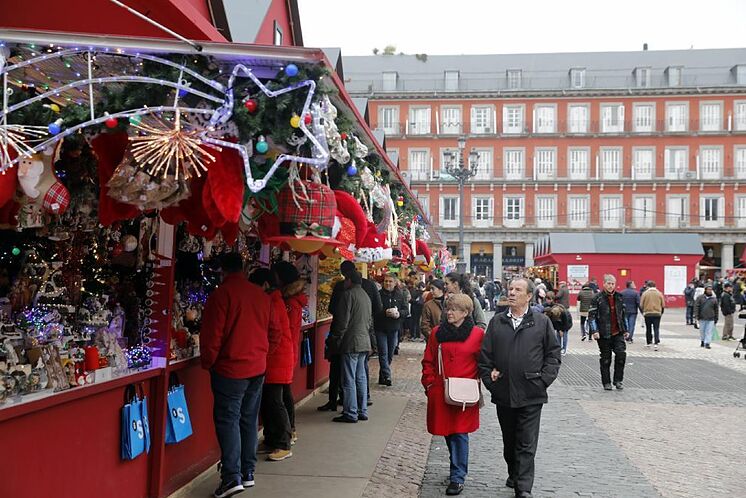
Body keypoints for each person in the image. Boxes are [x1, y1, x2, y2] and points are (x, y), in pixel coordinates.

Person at [479, 277, 561, 498]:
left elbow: (553, 355)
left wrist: (543, 380)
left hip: (531, 392)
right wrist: (490, 382)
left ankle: (523, 487)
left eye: (518, 289)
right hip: (504, 391)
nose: (512, 292)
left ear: (528, 296)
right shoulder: (497, 322)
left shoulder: (541, 322)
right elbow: (485, 357)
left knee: (526, 442)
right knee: (510, 440)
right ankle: (514, 473)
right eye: (510, 289)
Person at [200, 253, 271, 498]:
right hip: (256, 367)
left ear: (222, 271)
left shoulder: (221, 295)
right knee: (248, 419)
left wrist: (208, 362)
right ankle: (247, 472)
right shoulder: (260, 296)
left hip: (231, 369)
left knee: (228, 420)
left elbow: (212, 335)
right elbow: (273, 333)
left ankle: (231, 477)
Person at [421, 294, 485, 496]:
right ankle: (455, 467)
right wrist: (429, 384)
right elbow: (428, 360)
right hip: (441, 390)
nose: (449, 312)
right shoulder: (437, 333)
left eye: (454, 309)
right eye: (448, 308)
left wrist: (483, 379)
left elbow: (484, 362)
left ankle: (457, 477)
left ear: (466, 313)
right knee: (448, 432)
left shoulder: (477, 335)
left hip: (465, 392)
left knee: (459, 433)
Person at [320, 261, 382, 410]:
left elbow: (338, 316)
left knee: (343, 374)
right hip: (364, 337)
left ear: (346, 276)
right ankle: (363, 404)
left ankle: (347, 408)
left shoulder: (345, 291)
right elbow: (377, 309)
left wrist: (336, 337)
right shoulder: (368, 289)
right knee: (360, 374)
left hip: (348, 339)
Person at [248, 268, 294, 462]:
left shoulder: (272, 301)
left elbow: (274, 333)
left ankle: (283, 443)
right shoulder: (274, 300)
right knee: (269, 401)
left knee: (275, 402)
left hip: (276, 359)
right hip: (276, 357)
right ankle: (271, 439)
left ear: (265, 285)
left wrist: (265, 352)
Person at [328, 270, 373, 423]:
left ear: (348, 280)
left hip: (351, 342)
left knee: (348, 379)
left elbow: (342, 322)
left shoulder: (348, 295)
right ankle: (362, 410)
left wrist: (336, 338)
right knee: (360, 378)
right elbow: (369, 322)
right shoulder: (365, 296)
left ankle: (351, 412)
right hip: (363, 341)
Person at [273, 261, 308, 447]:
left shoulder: (289, 304)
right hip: (289, 351)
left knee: (281, 396)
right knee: (284, 394)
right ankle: (289, 429)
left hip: (284, 353)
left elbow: (281, 329)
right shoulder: (292, 301)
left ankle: (288, 431)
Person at [588, 274, 629, 391]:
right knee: (606, 359)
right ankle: (606, 382)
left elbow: (623, 314)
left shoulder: (619, 297)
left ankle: (618, 380)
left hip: (618, 332)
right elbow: (591, 316)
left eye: (613, 284)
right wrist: (594, 331)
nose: (611, 286)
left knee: (621, 355)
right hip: (603, 332)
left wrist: (625, 329)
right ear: (604, 284)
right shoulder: (597, 298)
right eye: (609, 283)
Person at [375, 274, 408, 386]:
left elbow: (406, 311)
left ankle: (382, 376)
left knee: (389, 354)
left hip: (394, 329)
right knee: (383, 353)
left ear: (395, 283)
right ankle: (388, 375)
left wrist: (399, 314)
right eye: (386, 281)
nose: (388, 283)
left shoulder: (400, 295)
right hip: (381, 328)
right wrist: (384, 312)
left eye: (390, 281)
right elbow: (374, 311)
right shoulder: (378, 295)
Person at [544, 291, 573, 356]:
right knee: (558, 335)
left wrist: (562, 330)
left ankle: (564, 349)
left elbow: (566, 323)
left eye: (549, 299)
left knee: (564, 335)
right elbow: (555, 323)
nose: (547, 300)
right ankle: (558, 348)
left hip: (566, 323)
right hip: (559, 323)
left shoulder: (563, 313)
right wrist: (559, 330)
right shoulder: (552, 312)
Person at [640, 280, 665, 350]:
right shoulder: (659, 293)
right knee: (656, 328)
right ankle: (656, 343)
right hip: (657, 313)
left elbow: (641, 304)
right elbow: (663, 304)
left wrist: (643, 311)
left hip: (647, 313)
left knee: (648, 328)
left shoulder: (645, 293)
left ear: (648, 286)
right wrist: (661, 312)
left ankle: (648, 342)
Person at [694, 284, 719, 348]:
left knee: (709, 331)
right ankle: (702, 341)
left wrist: (716, 318)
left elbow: (716, 309)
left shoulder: (714, 299)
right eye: (708, 289)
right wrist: (696, 316)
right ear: (705, 290)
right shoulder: (700, 298)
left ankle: (707, 343)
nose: (710, 291)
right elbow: (696, 307)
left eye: (711, 290)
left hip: (711, 318)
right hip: (702, 317)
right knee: (702, 331)